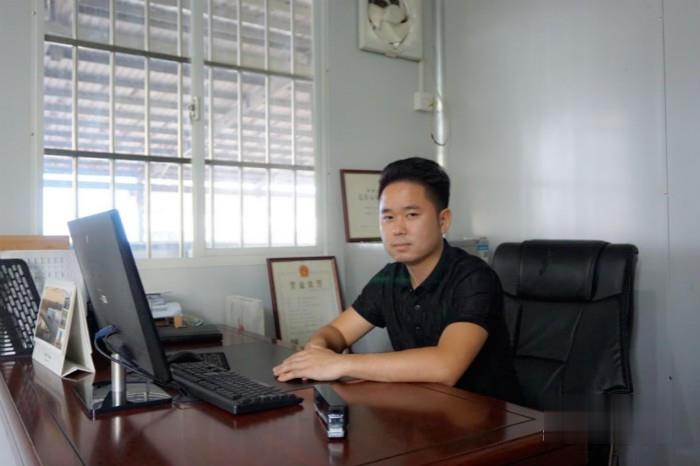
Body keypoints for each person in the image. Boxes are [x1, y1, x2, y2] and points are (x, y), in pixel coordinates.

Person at [273, 157, 522, 403]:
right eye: (388, 217)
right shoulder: (390, 277)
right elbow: (336, 332)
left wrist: (339, 364)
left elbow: (446, 366)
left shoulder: (474, 277)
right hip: (422, 411)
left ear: (443, 220)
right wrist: (318, 349)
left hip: (490, 418)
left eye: (411, 215)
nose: (398, 229)